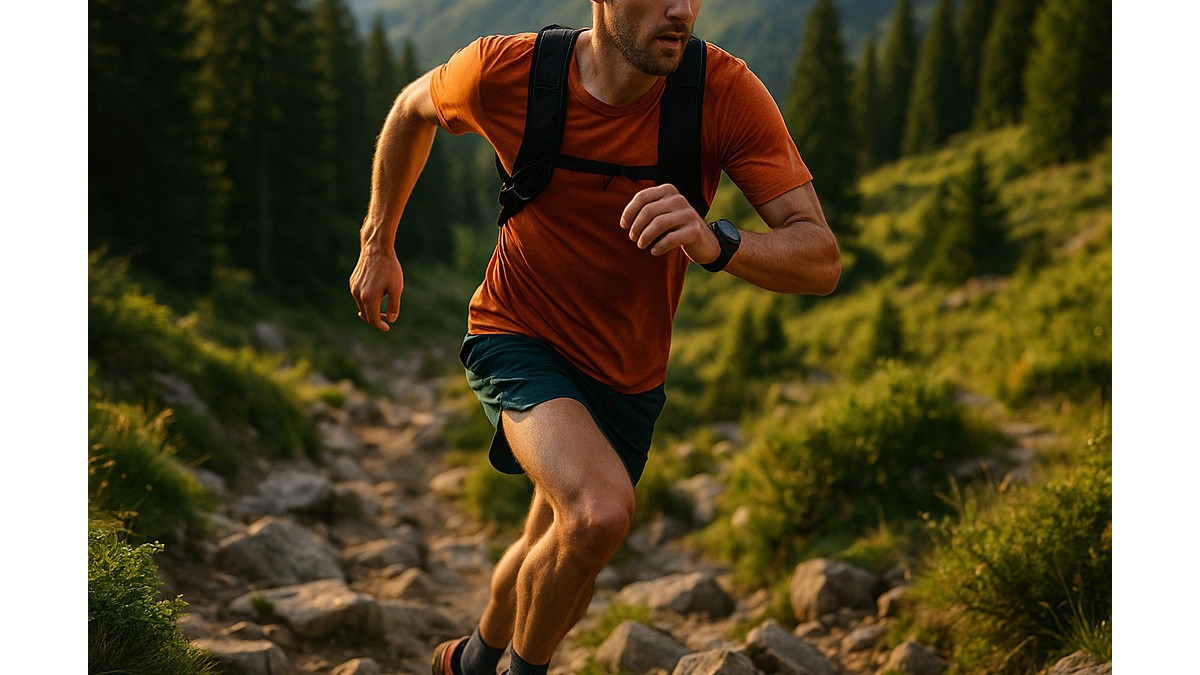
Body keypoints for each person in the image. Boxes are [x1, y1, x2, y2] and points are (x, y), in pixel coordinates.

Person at [349, 1, 841, 673]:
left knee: (559, 552)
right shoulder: (508, 71)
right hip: (516, 331)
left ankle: (469, 658)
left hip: (628, 372)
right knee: (599, 513)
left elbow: (819, 258)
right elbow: (410, 110)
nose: (682, 9)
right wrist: (378, 243)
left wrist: (715, 239)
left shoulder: (721, 91)